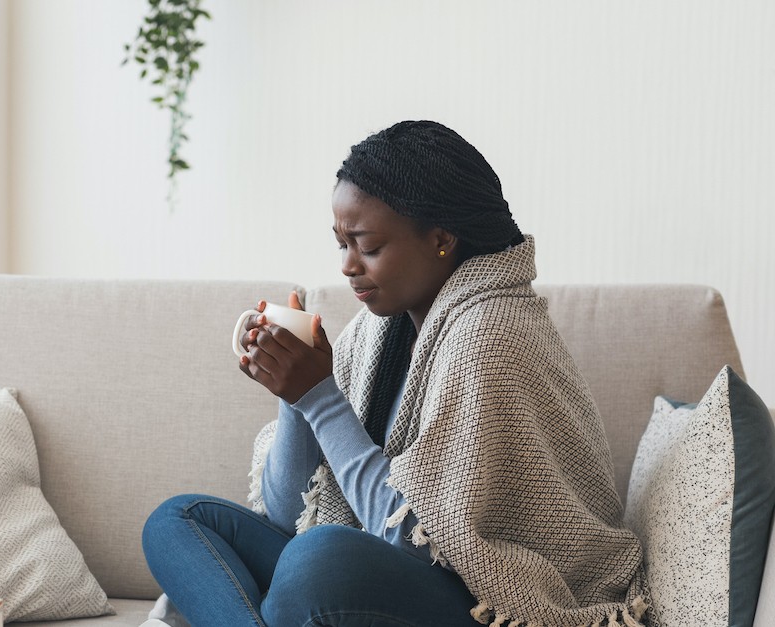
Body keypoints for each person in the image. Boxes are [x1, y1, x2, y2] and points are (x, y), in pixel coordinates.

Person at [141, 120, 650, 627]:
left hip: (487, 599)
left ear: (441, 239)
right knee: (177, 522)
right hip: (382, 575)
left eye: (368, 245)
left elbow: (414, 538)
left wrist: (319, 397)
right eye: (341, 243)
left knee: (317, 561)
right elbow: (284, 515)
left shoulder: (489, 334)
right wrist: (294, 395)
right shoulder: (377, 332)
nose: (347, 265)